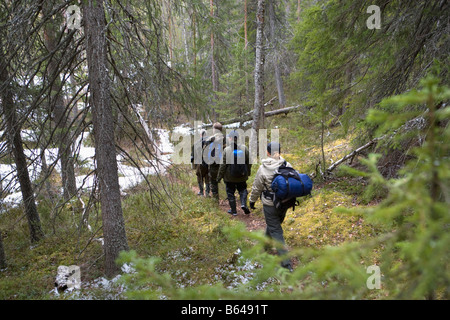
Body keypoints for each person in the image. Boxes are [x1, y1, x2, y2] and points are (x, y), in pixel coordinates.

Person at [249, 142, 293, 271]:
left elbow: (257, 187)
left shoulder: (263, 168)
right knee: (274, 225)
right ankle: (265, 246)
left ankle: (286, 264)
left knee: (276, 230)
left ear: (268, 152)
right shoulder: (287, 165)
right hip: (285, 202)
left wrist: (252, 201)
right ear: (279, 151)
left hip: (270, 204)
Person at [216, 130, 252, 216]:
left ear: (231, 138)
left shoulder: (227, 150)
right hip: (242, 176)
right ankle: (243, 204)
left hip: (229, 177)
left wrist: (219, 177)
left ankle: (234, 210)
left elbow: (223, 166)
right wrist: (248, 173)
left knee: (230, 192)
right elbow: (249, 162)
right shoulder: (245, 148)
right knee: (243, 190)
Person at [205, 122, 226, 201]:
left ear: (214, 130)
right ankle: (231, 200)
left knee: (213, 183)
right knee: (228, 183)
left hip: (213, 165)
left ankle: (215, 201)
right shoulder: (226, 139)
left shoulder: (210, 139)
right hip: (225, 165)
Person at [191, 129, 210, 196]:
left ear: (200, 135)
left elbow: (192, 156)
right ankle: (207, 193)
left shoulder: (196, 143)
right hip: (208, 163)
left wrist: (193, 165)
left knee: (200, 177)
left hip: (199, 164)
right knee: (208, 178)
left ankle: (201, 192)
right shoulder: (210, 142)